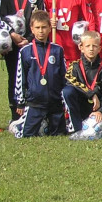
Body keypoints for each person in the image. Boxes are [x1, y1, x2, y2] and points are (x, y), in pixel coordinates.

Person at [0, 0, 46, 121]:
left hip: (30, 44)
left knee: (33, 77)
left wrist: (30, 39)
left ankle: (32, 113)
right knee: (14, 78)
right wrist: (12, 34)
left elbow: (41, 18)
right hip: (12, 44)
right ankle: (14, 114)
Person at [13, 10, 67, 138]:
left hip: (55, 101)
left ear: (50, 28)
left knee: (59, 134)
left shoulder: (57, 50)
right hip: (35, 102)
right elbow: (21, 78)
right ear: (32, 29)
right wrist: (20, 101)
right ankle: (18, 124)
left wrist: (64, 99)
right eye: (37, 28)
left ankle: (47, 124)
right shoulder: (25, 51)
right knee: (26, 134)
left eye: (44, 27)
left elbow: (64, 76)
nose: (41, 31)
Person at [62, 30, 102, 137]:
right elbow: (70, 81)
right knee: (67, 91)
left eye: (95, 46)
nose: (91, 49)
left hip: (99, 109)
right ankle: (76, 126)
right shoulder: (74, 66)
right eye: (88, 46)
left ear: (99, 48)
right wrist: (91, 94)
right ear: (81, 47)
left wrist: (100, 111)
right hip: (81, 108)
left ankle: (98, 124)